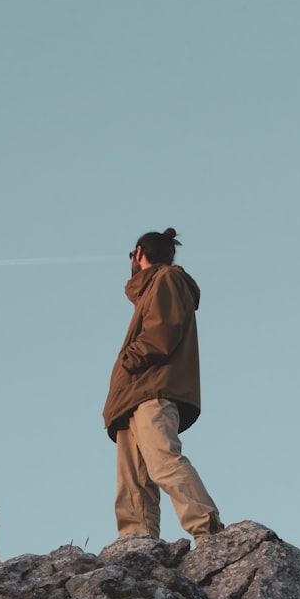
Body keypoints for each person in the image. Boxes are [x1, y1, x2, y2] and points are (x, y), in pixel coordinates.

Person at [102, 228, 223, 543]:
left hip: (152, 389)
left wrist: (129, 359)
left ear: (141, 252)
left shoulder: (166, 280)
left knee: (163, 462)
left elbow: (161, 333)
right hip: (133, 395)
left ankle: (208, 530)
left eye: (132, 255)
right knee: (133, 482)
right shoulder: (151, 289)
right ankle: (137, 545)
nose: (130, 261)